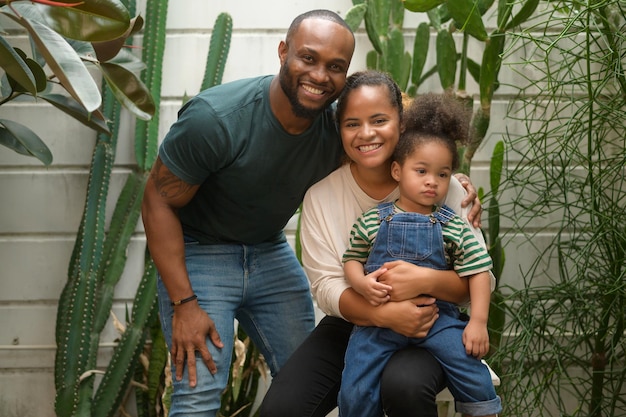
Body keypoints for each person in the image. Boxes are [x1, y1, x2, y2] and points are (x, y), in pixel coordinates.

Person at [141, 9, 356, 416]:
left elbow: (396, 146)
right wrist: (184, 304)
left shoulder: (338, 128)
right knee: (200, 392)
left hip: (269, 250)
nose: (320, 75)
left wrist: (456, 184)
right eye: (308, 58)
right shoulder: (217, 119)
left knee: (313, 381)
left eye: (335, 66)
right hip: (200, 252)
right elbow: (158, 200)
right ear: (282, 52)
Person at [259, 71, 489, 417]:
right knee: (281, 410)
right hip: (354, 319)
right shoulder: (322, 197)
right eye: (352, 124)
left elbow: (479, 276)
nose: (366, 134)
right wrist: (383, 314)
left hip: (430, 317)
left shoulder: (441, 187)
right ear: (340, 130)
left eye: (379, 120)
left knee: (404, 386)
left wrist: (424, 281)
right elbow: (326, 287)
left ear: (402, 122)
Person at [338, 91, 502, 417]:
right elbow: (352, 259)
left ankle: (484, 411)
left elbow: (479, 270)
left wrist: (479, 323)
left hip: (439, 320)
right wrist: (360, 284)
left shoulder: (453, 225)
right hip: (379, 323)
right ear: (397, 171)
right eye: (421, 171)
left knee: (470, 365)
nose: (432, 182)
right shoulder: (374, 220)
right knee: (356, 380)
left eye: (442, 174)